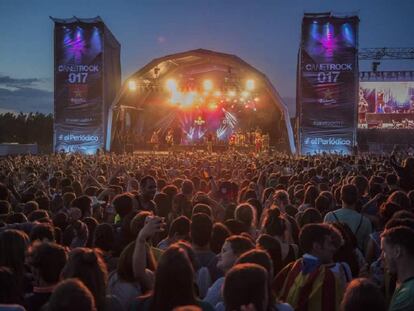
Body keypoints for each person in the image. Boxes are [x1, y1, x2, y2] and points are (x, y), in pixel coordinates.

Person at [273, 223, 346, 311]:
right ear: (316, 246)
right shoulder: (328, 277)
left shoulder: (290, 268)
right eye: (329, 243)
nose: (333, 248)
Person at [324, 184, 372, 253]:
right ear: (357, 198)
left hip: (335, 258)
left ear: (341, 197)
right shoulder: (365, 221)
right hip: (356, 259)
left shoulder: (329, 216)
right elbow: (367, 247)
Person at [381, 226, 414, 311]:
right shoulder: (405, 286)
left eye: (384, 251)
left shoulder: (408, 294)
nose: (381, 257)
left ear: (397, 251)